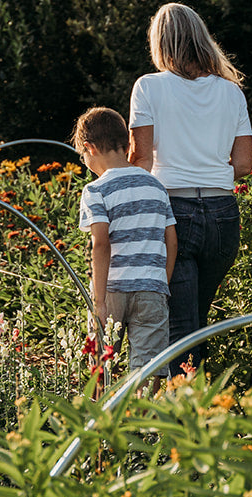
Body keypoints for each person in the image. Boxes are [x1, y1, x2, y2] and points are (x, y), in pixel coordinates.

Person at [128, 3, 252, 372]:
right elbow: (244, 163)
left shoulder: (148, 87)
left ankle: (183, 421)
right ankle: (200, 410)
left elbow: (141, 161)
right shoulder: (231, 92)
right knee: (195, 322)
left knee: (181, 330)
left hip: (174, 214)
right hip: (223, 217)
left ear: (160, 42)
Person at [74, 106, 177, 389]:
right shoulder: (156, 186)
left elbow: (101, 244)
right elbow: (171, 240)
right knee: (149, 369)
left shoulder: (96, 190)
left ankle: (99, 426)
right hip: (152, 289)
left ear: (89, 148)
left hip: (112, 289)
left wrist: (99, 301)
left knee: (100, 363)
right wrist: (162, 283)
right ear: (127, 144)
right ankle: (144, 429)